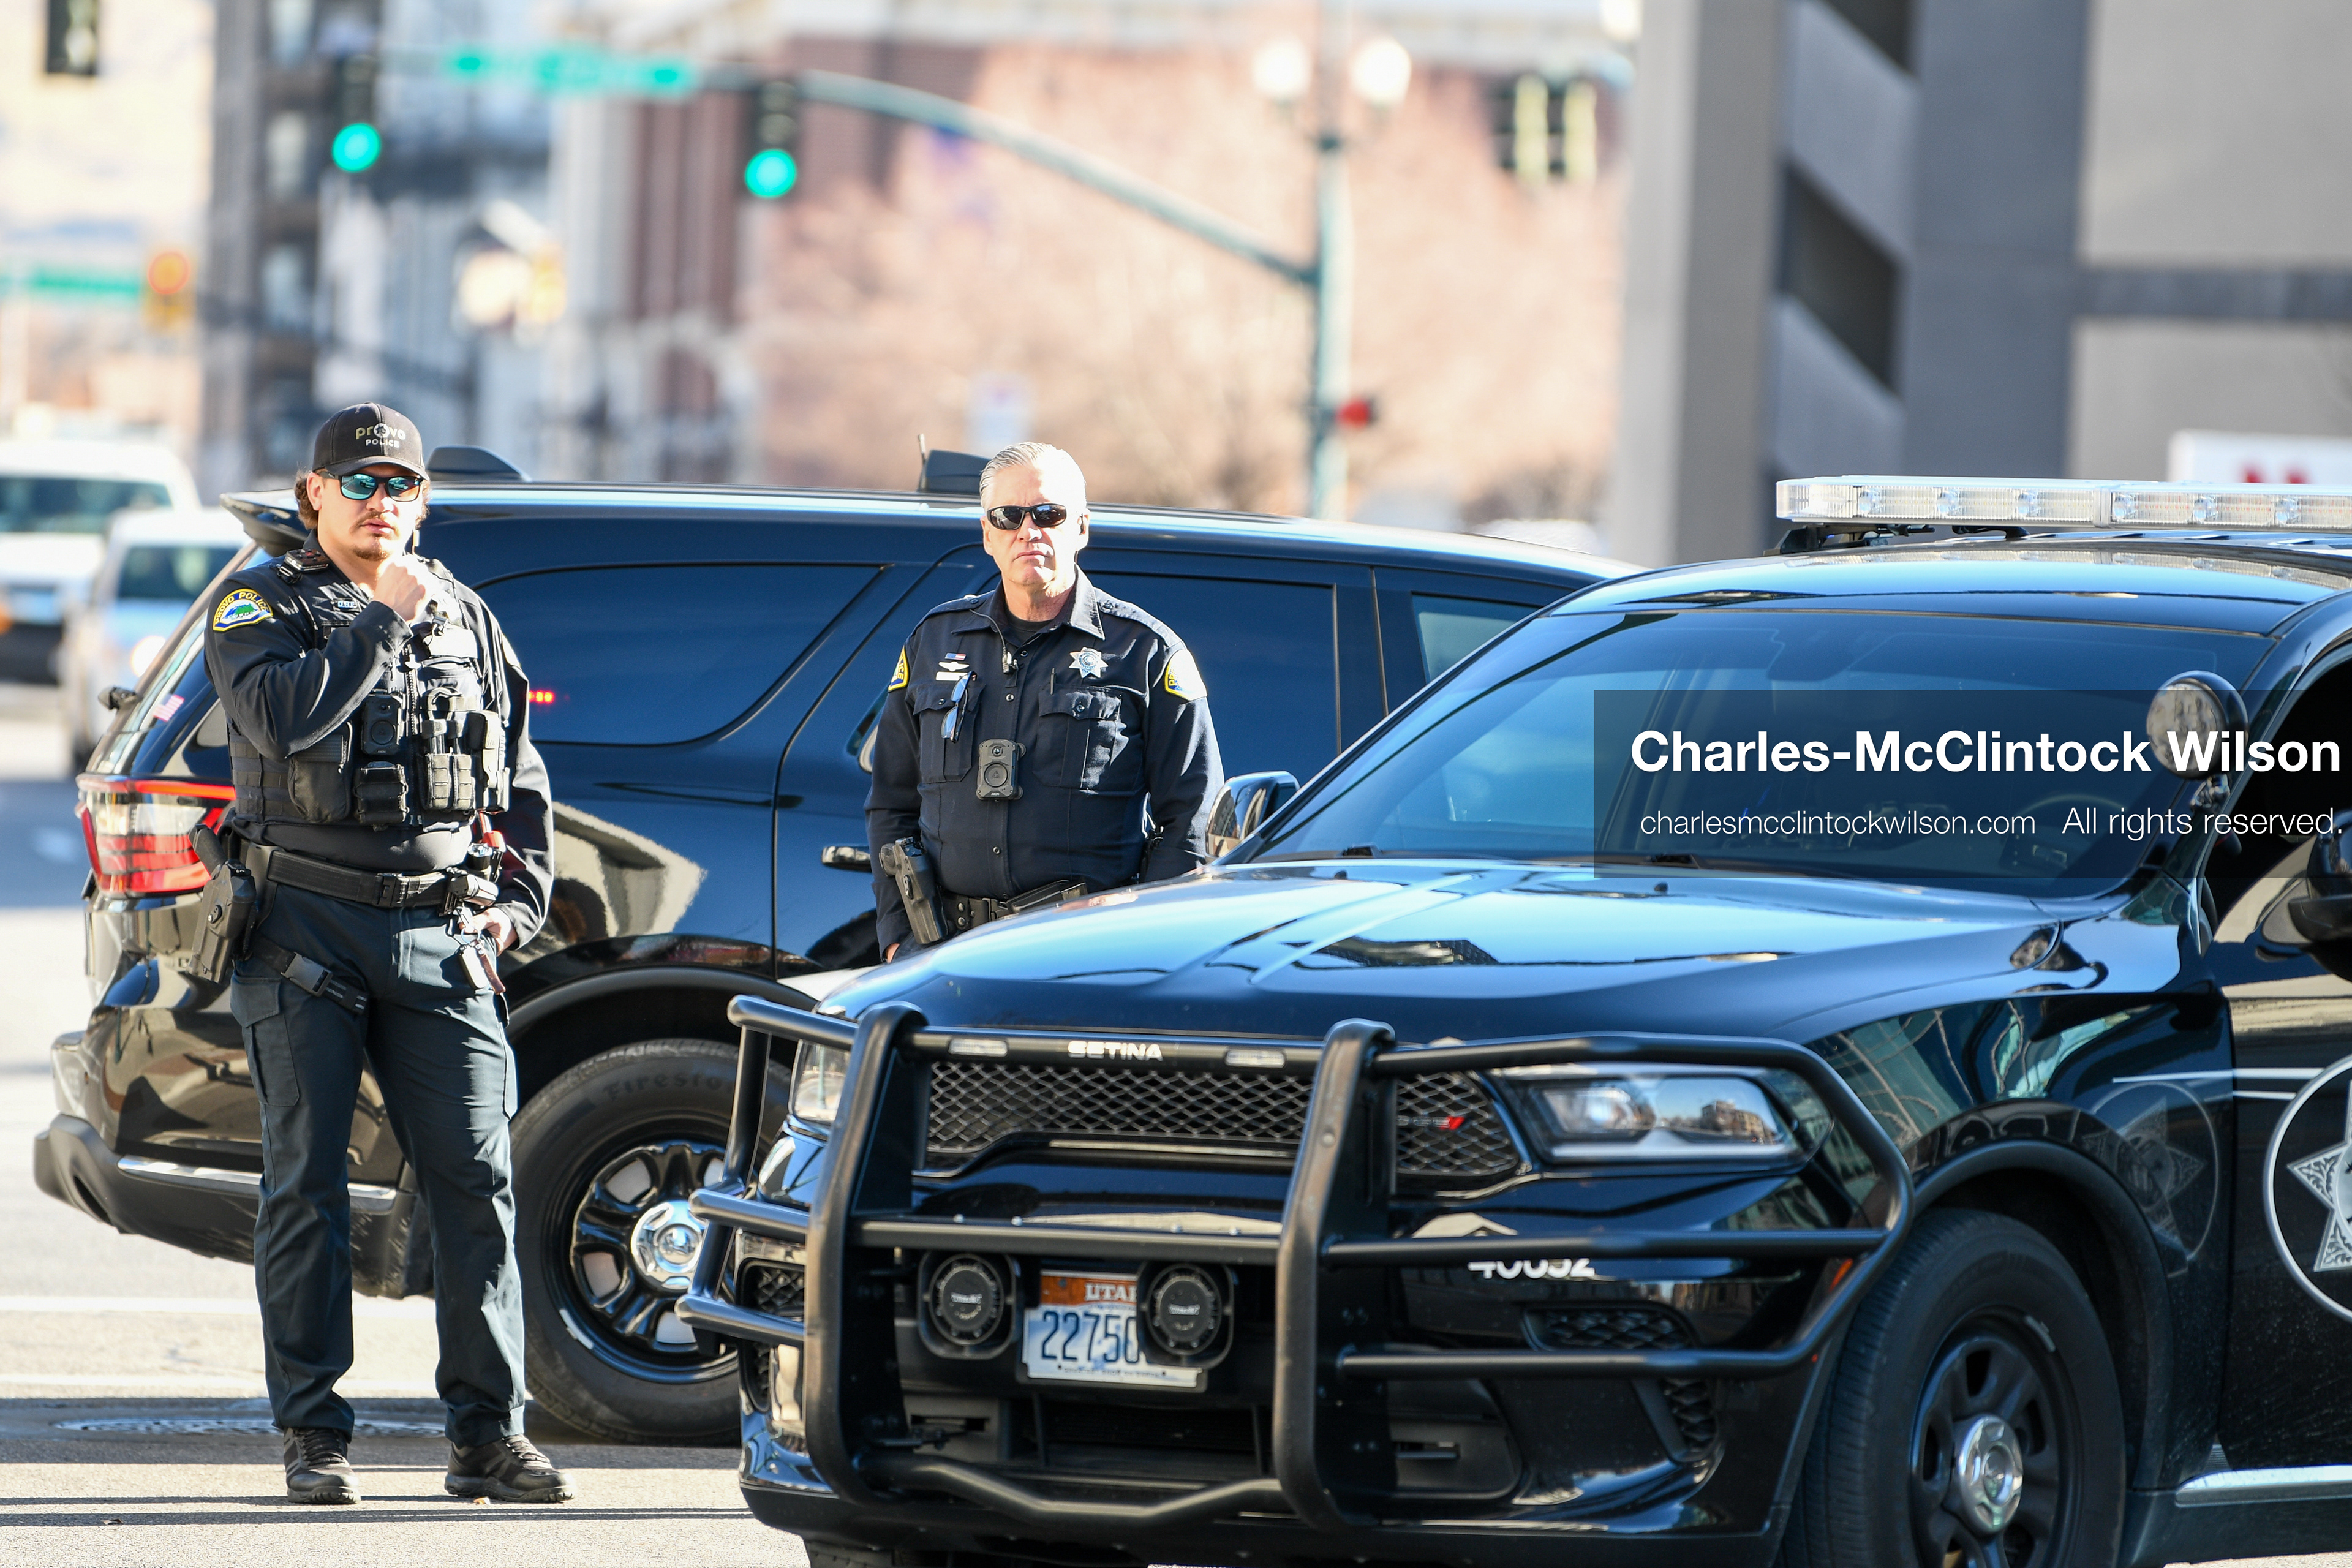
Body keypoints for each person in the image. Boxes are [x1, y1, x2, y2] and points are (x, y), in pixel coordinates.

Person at [201, 404, 571, 1506]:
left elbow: (525, 777)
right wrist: (374, 620)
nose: (380, 505)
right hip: (303, 927)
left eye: (399, 486)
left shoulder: (465, 616)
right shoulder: (261, 601)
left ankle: (487, 1435)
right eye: (357, 484)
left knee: (476, 1182)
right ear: (313, 494)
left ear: (424, 501)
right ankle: (314, 1436)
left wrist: (519, 905)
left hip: (438, 931)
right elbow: (277, 720)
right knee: (306, 1189)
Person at [866, 442, 1223, 959]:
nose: (1028, 531)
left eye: (1048, 514)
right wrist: (899, 938)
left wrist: (1147, 944)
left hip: (1086, 957)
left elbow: (1193, 815)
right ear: (987, 534)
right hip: (945, 953)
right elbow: (891, 803)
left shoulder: (1143, 651)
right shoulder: (935, 641)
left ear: (1080, 527)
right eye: (1008, 516)